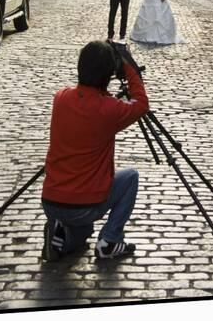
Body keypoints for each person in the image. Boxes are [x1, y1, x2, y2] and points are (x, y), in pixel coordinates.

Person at [41, 40, 149, 261]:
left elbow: (87, 99)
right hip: (85, 205)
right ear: (108, 74)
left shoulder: (60, 98)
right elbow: (141, 104)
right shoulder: (110, 110)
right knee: (131, 177)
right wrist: (128, 65)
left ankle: (60, 234)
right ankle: (110, 241)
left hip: (51, 200)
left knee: (83, 234)